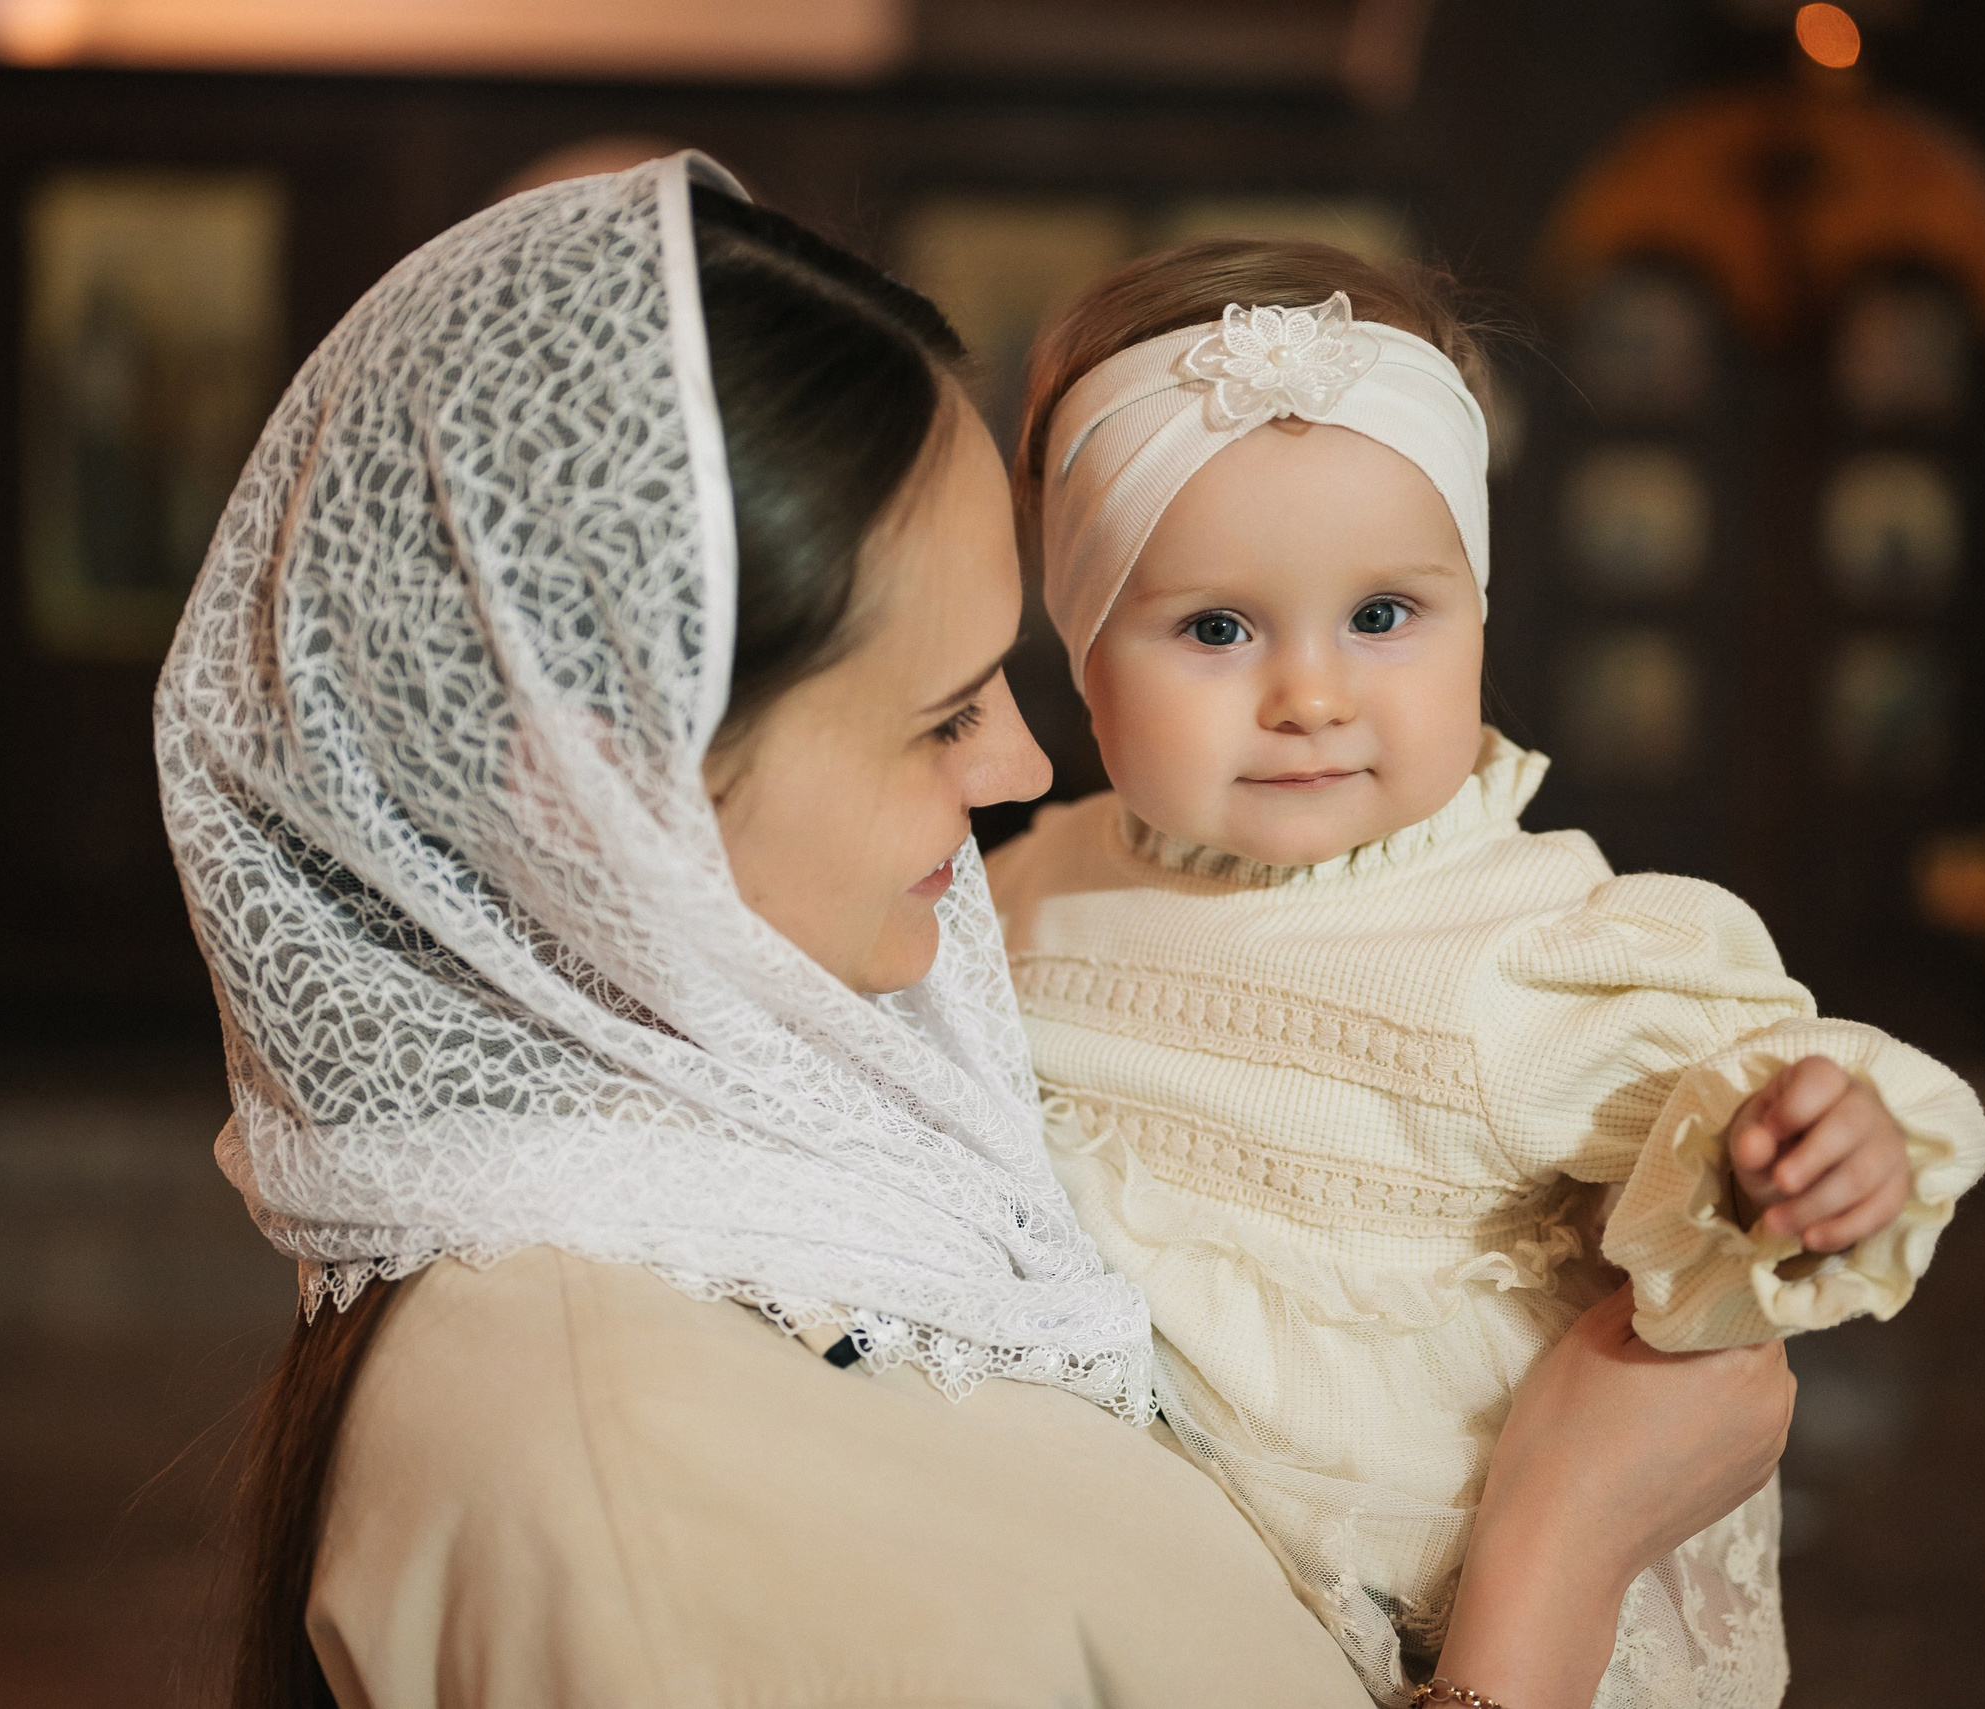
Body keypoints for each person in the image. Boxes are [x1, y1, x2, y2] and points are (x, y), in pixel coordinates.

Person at [158, 153, 1796, 1709]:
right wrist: (1556, 1557)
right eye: (942, 714)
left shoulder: (829, 1146)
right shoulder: (624, 1475)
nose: (1021, 766)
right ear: (600, 789)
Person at [984, 243, 1985, 1706]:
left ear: (1477, 605)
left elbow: (1717, 1099)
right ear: (1085, 655)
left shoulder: (1523, 940)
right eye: (1217, 627)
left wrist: (1818, 1137)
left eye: (1384, 615)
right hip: (1151, 1595)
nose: (1312, 694)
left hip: (1480, 1615)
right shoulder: (1032, 892)